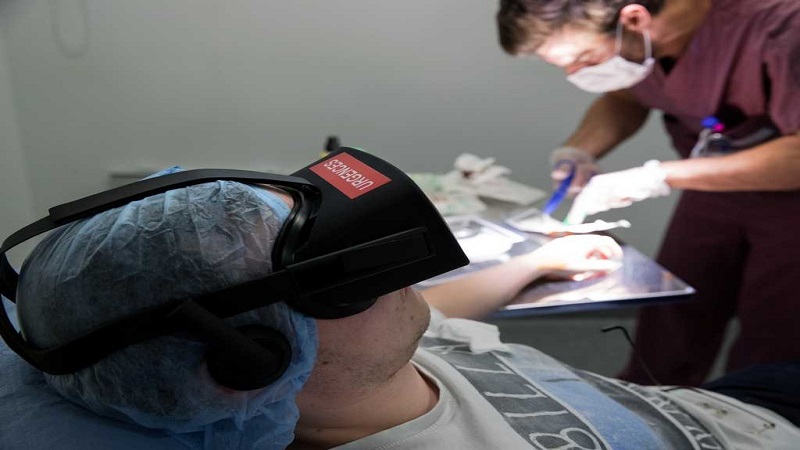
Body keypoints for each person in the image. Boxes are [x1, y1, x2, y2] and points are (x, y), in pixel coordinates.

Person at [2, 157, 799, 449]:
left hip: (725, 400)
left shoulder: (362, 356)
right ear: (248, 363)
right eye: (331, 272)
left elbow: (437, 305)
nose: (386, 273)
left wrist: (544, 260)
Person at [495, 0, 800, 386]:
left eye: (586, 58)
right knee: (673, 312)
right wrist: (580, 150)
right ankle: (653, 404)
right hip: (714, 181)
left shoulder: (780, 26)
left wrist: (657, 177)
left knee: (775, 329)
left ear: (635, 20)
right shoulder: (645, 47)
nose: (577, 74)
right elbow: (628, 97)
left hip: (790, 193)